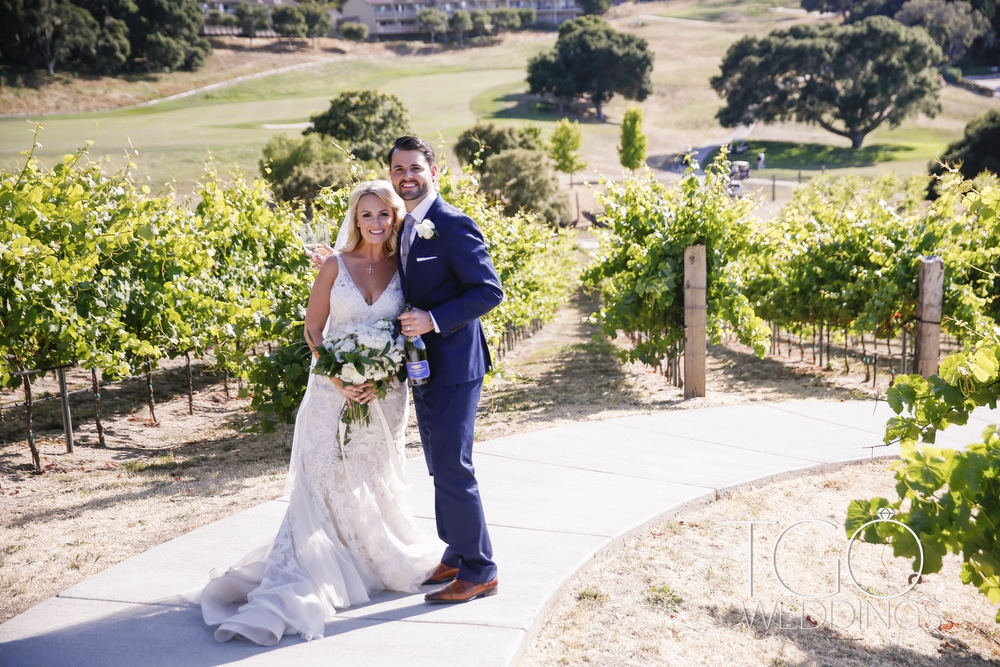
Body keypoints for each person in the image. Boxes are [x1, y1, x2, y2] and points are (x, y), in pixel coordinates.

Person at [196, 180, 444, 646]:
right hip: (332, 391)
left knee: (375, 476)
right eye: (366, 214)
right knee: (326, 478)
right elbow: (314, 330)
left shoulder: (406, 268)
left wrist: (380, 376)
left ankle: (372, 558)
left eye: (384, 215)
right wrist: (341, 379)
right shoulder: (334, 265)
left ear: (396, 219)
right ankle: (313, 572)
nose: (375, 222)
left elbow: (407, 332)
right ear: (355, 217)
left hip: (385, 393)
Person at [390, 136, 504, 604]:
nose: (407, 177)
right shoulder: (406, 225)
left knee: (455, 466)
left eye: (415, 168)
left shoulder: (452, 224)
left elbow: (488, 291)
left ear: (433, 171)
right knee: (439, 463)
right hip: (424, 368)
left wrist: (433, 320)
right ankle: (457, 553)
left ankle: (481, 570)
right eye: (398, 170)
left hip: (456, 365)